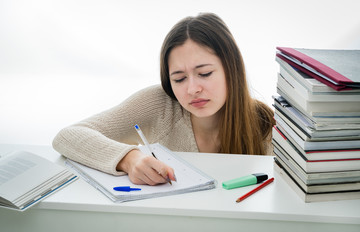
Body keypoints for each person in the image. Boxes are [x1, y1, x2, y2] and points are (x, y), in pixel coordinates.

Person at [52, 12, 275, 186]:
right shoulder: (160, 104)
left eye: (205, 74)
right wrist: (130, 159)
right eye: (179, 78)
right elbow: (68, 136)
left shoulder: (267, 124)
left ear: (232, 69)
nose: (192, 89)